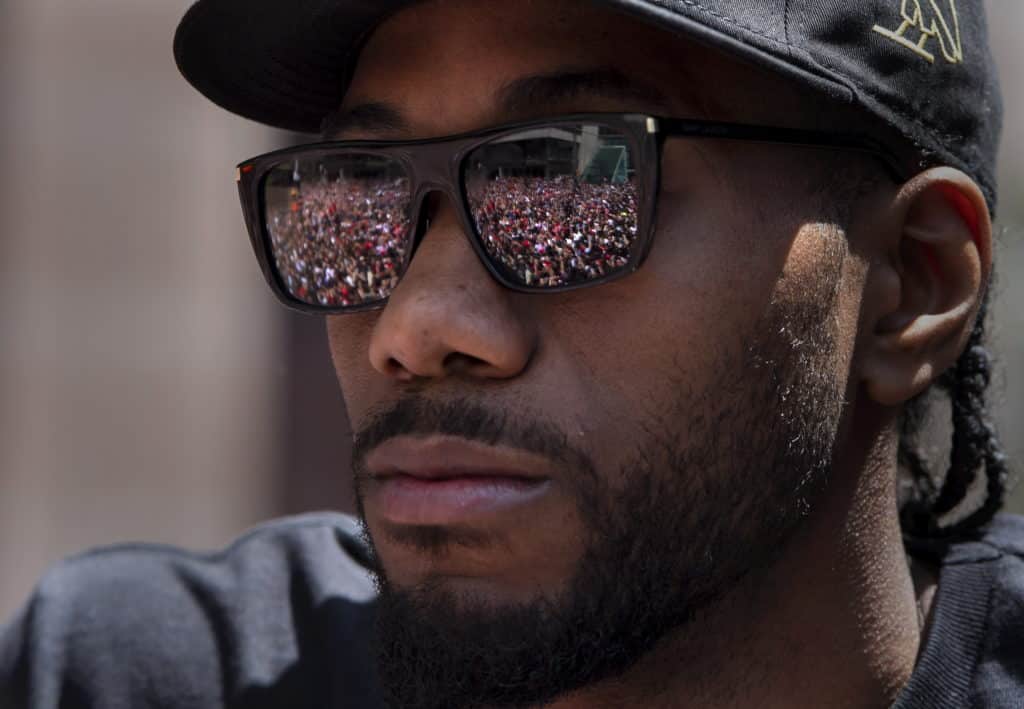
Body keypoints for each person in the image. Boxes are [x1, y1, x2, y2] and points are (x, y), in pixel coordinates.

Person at [2, 0, 1020, 707]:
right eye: (354, 197)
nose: (416, 327)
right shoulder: (125, 676)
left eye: (570, 187)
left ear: (913, 284)